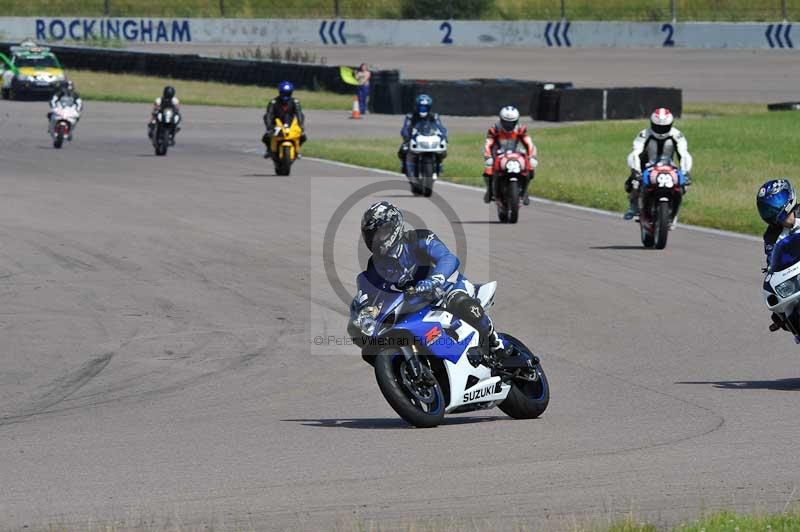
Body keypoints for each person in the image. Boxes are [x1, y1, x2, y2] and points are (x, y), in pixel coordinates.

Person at [357, 201, 513, 360]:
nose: (375, 240)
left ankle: (495, 343)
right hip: (412, 306)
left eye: (379, 234)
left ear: (394, 226)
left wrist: (434, 279)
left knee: (460, 301)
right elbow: (370, 294)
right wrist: (364, 310)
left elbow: (447, 258)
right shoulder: (374, 265)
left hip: (445, 289)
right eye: (371, 236)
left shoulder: (418, 238)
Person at [624, 107, 693, 220]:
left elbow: (684, 154)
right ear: (652, 124)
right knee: (633, 183)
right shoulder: (644, 134)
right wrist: (635, 170)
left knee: (683, 186)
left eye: (664, 127)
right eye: (658, 127)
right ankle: (633, 207)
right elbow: (635, 153)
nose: (661, 131)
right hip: (649, 166)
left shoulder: (677, 135)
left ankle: (673, 212)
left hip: (670, 167)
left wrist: (686, 172)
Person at [482, 106, 538, 205]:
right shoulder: (494, 129)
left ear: (516, 121)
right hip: (498, 154)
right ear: (501, 120)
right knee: (488, 170)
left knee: (530, 167)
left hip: (516, 154)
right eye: (506, 122)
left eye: (511, 122)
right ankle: (490, 190)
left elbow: (529, 143)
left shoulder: (520, 129)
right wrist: (488, 156)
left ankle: (524, 192)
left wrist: (532, 156)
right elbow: (488, 144)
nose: (509, 125)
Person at [398, 94, 448, 177]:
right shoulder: (410, 116)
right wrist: (406, 137)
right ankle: (404, 166)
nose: (422, 109)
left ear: (429, 107)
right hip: (414, 138)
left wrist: (444, 136)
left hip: (429, 139)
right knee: (403, 150)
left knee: (442, 151)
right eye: (420, 107)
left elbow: (440, 127)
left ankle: (439, 164)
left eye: (425, 107)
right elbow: (405, 128)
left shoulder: (434, 116)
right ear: (417, 106)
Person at [262, 81, 306, 158]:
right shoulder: (273, 102)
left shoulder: (295, 102)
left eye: (287, 93)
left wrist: (301, 126)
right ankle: (269, 150)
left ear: (291, 93)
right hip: (276, 124)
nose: (285, 95)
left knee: (303, 137)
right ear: (280, 92)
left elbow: (299, 114)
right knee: (266, 137)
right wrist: (269, 127)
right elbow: (268, 114)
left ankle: (297, 150)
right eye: (283, 93)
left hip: (291, 123)